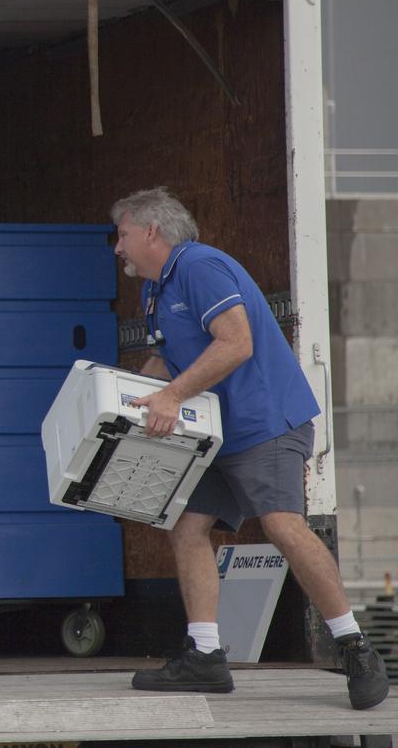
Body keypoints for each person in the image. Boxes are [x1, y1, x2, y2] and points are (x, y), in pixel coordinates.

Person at [110, 187, 389, 711]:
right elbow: (168, 361)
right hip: (217, 431)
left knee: (282, 524)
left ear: (151, 231)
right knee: (187, 527)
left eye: (122, 234)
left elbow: (237, 343)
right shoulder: (155, 290)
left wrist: (172, 395)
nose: (117, 247)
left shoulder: (200, 267)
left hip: (264, 423)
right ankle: (206, 657)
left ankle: (355, 646)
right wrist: (119, 396)